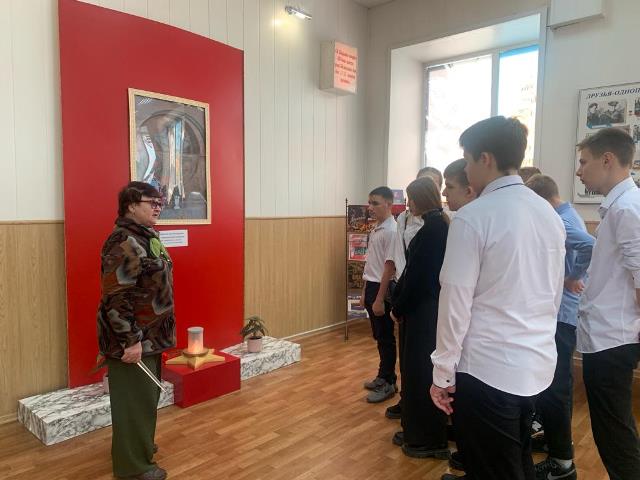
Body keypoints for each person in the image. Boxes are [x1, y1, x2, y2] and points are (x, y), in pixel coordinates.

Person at [430, 116, 565, 480]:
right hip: (535, 363)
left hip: (487, 368)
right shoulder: (548, 213)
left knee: (492, 467)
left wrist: (442, 373)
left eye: (467, 161)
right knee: (517, 459)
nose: (466, 170)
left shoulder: (473, 217)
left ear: (485, 159)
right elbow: (552, 293)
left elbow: (455, 300)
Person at [97, 181, 175, 480]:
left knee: (144, 399)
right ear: (131, 206)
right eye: (151, 202)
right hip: (134, 340)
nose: (158, 207)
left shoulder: (145, 236)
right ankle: (133, 468)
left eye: (160, 203)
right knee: (133, 403)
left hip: (150, 337)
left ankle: (138, 447)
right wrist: (130, 341)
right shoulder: (123, 241)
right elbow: (117, 297)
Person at [575, 127, 640, 480]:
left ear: (607, 160)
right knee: (611, 430)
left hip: (614, 338)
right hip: (609, 335)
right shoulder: (621, 206)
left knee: (614, 433)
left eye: (584, 162)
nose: (579, 171)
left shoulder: (627, 208)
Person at [526, 174, 595, 480]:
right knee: (555, 385)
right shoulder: (567, 214)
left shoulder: (561, 221)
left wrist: (573, 277)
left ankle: (562, 461)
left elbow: (591, 246)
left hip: (561, 316)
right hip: (560, 314)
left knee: (556, 388)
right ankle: (554, 443)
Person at [388, 176, 450, 459]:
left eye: (411, 198)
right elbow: (411, 272)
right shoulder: (433, 226)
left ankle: (427, 437)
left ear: (422, 198)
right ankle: (415, 427)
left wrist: (398, 306)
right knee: (413, 372)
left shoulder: (434, 229)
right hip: (421, 310)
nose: (408, 203)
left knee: (420, 373)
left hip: (424, 312)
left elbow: (418, 279)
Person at [385, 167, 442, 420]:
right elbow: (402, 257)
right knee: (407, 357)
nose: (409, 203)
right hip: (406, 289)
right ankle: (407, 399)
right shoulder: (405, 219)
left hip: (423, 298)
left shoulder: (439, 224)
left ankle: (422, 411)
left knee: (422, 359)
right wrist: (398, 294)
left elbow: (423, 270)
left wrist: (401, 302)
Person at [361, 186, 398, 403]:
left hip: (381, 289)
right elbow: (371, 264)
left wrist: (379, 298)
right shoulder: (377, 228)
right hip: (372, 286)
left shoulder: (392, 231)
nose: (370, 207)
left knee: (385, 337)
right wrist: (365, 291)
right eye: (370, 203)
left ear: (388, 204)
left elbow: (389, 267)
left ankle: (389, 382)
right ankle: (382, 375)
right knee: (379, 336)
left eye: (375, 203)